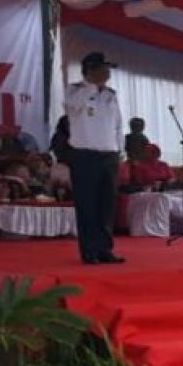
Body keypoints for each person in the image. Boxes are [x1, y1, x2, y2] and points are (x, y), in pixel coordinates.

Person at [64, 51, 124, 264]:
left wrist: (119, 151)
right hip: (84, 156)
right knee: (87, 204)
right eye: (103, 69)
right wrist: (91, 85)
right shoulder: (74, 90)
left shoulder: (111, 94)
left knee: (107, 205)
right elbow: (74, 107)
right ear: (90, 70)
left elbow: (118, 125)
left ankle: (105, 249)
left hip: (109, 156)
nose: (107, 73)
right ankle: (89, 250)